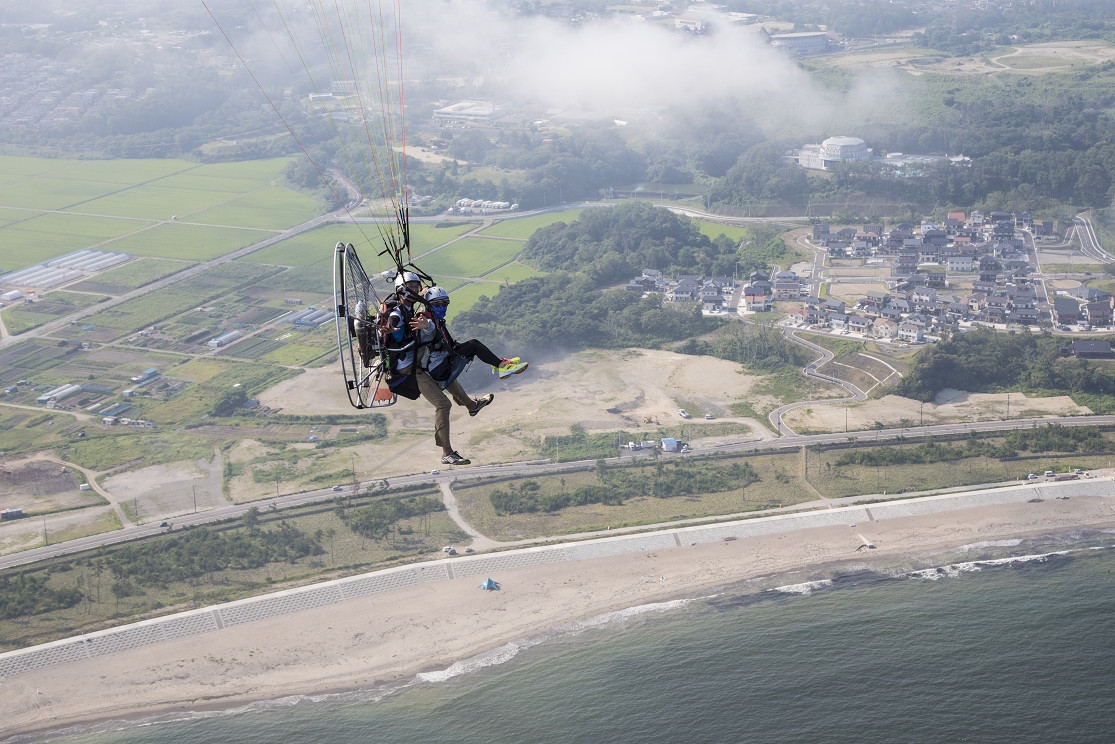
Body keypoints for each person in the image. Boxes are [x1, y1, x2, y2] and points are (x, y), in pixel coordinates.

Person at [391, 274, 494, 466]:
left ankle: (472, 406)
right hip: (409, 368)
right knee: (443, 405)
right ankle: (447, 452)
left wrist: (424, 295)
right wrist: (389, 328)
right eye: (410, 288)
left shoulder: (408, 308)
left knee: (446, 373)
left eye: (416, 287)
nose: (414, 291)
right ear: (401, 290)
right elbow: (399, 326)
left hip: (417, 362)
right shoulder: (397, 313)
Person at [419, 285, 527, 381]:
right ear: (429, 305)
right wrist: (427, 325)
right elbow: (428, 327)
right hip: (439, 368)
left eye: (445, 303)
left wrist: (424, 295)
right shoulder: (426, 321)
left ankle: (497, 364)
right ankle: (502, 366)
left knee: (473, 343)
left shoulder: (435, 318)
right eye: (437, 304)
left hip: (445, 357)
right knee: (474, 345)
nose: (442, 307)